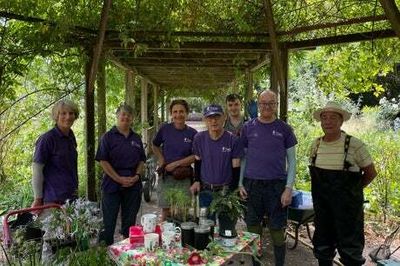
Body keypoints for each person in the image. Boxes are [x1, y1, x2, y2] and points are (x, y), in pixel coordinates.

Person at [309, 101, 377, 266]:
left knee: (350, 252)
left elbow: (371, 173)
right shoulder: (315, 145)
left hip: (348, 212)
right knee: (323, 249)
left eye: (333, 118)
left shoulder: (355, 145)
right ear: (321, 122)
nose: (328, 121)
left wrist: (352, 191)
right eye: (324, 118)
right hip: (323, 209)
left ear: (341, 121)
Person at [239, 90, 297, 266]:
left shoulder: (284, 129)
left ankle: (279, 263)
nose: (267, 106)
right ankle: (256, 263)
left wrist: (288, 188)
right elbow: (244, 159)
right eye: (263, 103)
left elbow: (292, 161)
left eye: (271, 103)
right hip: (252, 184)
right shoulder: (248, 128)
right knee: (253, 228)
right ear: (258, 104)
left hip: (277, 185)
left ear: (276, 105)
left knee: (277, 228)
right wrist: (241, 183)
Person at [96, 104, 146, 245]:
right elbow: (103, 161)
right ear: (117, 116)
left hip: (133, 184)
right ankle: (105, 254)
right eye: (123, 114)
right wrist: (119, 179)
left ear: (133, 119)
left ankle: (126, 252)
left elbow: (142, 160)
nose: (126, 117)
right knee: (107, 222)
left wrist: (137, 176)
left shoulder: (136, 138)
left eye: (129, 115)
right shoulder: (108, 137)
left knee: (130, 222)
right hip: (112, 184)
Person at [152, 99, 197, 221]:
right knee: (166, 211)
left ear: (186, 113)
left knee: (182, 212)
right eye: (175, 111)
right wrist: (161, 159)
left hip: (184, 177)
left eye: (181, 111)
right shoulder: (165, 129)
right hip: (166, 176)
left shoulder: (193, 133)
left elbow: (196, 156)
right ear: (171, 113)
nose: (178, 115)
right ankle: (165, 238)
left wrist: (176, 164)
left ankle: (182, 238)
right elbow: (155, 145)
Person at [190, 104, 242, 209]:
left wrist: (234, 192)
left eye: (217, 117)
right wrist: (196, 181)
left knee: (227, 224)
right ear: (205, 120)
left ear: (224, 118)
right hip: (206, 190)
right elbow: (197, 161)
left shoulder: (233, 139)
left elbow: (236, 167)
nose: (214, 121)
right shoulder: (199, 138)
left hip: (226, 191)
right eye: (210, 118)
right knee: (206, 224)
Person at [31, 99, 80, 208]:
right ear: (56, 116)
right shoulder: (47, 139)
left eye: (71, 113)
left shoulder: (71, 137)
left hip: (72, 199)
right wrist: (38, 198)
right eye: (63, 113)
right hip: (53, 201)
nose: (68, 117)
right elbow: (37, 170)